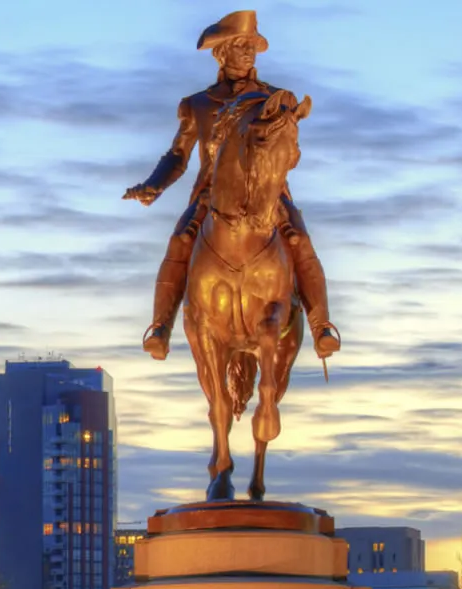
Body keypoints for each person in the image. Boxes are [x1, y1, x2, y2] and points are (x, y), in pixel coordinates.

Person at [124, 9, 340, 362]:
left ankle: (321, 327)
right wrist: (154, 185)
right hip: (212, 197)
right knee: (180, 241)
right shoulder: (197, 105)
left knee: (299, 239)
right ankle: (160, 328)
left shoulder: (274, 99)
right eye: (241, 45)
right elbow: (178, 155)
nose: (249, 52)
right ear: (221, 53)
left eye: (252, 46)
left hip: (268, 196)